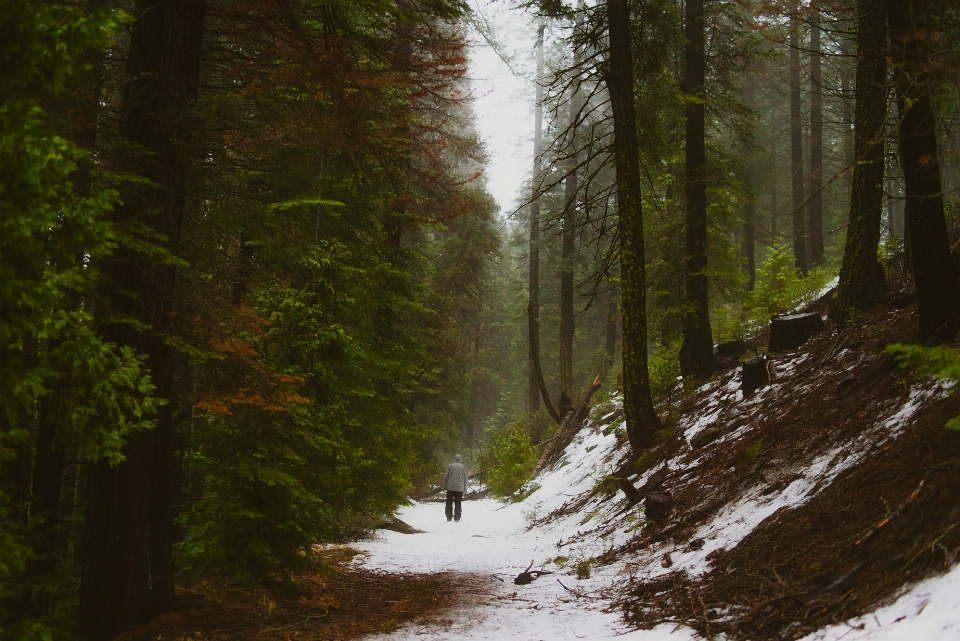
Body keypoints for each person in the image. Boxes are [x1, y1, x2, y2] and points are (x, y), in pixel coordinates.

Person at [441, 454, 468, 522]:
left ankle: (449, 517)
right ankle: (457, 517)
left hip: (450, 487)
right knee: (458, 502)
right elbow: (465, 479)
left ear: (454, 459)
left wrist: (444, 486)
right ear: (461, 459)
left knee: (449, 502)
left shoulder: (450, 466)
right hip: (459, 488)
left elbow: (445, 477)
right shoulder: (463, 467)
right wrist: (464, 488)